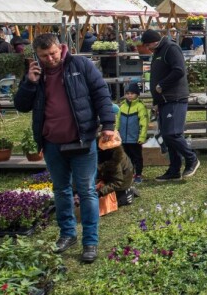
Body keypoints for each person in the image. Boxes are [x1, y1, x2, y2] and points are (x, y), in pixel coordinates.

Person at [13, 33, 114, 264]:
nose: (50, 59)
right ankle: (67, 234)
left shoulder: (80, 65)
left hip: (82, 139)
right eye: (44, 56)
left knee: (86, 190)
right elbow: (21, 105)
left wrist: (108, 125)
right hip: (51, 142)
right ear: (36, 56)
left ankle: (90, 240)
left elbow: (101, 94)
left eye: (53, 54)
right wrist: (29, 83)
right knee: (61, 191)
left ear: (61, 48)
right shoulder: (35, 74)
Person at [143, 29, 200, 181]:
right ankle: (174, 169)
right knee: (167, 137)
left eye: (148, 45)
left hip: (175, 98)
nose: (147, 48)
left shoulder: (171, 48)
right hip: (163, 100)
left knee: (172, 133)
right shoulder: (157, 52)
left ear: (155, 41)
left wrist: (162, 84)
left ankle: (192, 158)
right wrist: (156, 102)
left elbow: (179, 70)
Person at [116, 82, 149, 183]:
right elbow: (118, 121)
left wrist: (142, 137)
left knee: (137, 158)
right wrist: (116, 132)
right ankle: (129, 174)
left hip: (135, 139)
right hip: (123, 139)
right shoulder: (122, 107)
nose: (129, 95)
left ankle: (138, 174)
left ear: (137, 94)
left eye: (132, 93)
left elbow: (144, 123)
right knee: (126, 158)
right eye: (127, 93)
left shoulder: (140, 106)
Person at [96, 137, 135, 207]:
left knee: (108, 203)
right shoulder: (100, 151)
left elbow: (117, 182)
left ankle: (127, 192)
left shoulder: (115, 160)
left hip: (122, 182)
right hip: (110, 176)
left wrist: (100, 192)